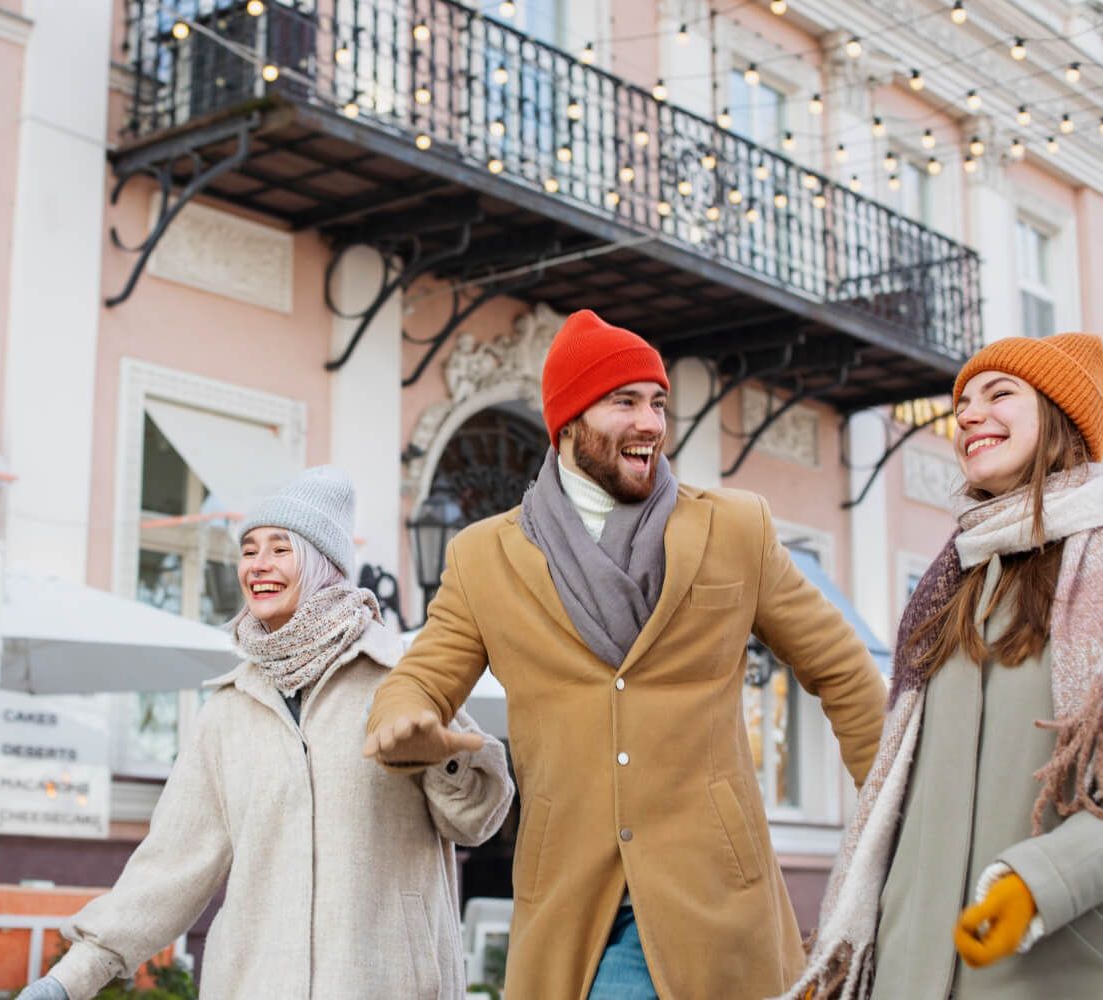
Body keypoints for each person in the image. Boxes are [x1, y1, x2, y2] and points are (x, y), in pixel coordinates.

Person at [363, 310, 889, 1000]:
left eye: (657, 402)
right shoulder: (482, 557)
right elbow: (419, 678)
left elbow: (843, 671)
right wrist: (406, 720)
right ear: (569, 420)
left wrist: (893, 823)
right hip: (568, 899)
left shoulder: (735, 528)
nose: (650, 423)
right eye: (624, 402)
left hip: (715, 894)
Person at [18, 466, 514, 1000]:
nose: (259, 565)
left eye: (280, 549)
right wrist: (70, 979)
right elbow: (170, 866)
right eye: (249, 550)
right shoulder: (228, 712)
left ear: (322, 564)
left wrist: (443, 759)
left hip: (386, 982)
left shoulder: (398, 675)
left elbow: (478, 821)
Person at [789, 333, 1103, 1000]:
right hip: (914, 968)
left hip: (1067, 967)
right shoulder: (952, 585)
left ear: (1061, 417)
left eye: (999, 395)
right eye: (962, 402)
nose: (966, 415)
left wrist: (1042, 881)